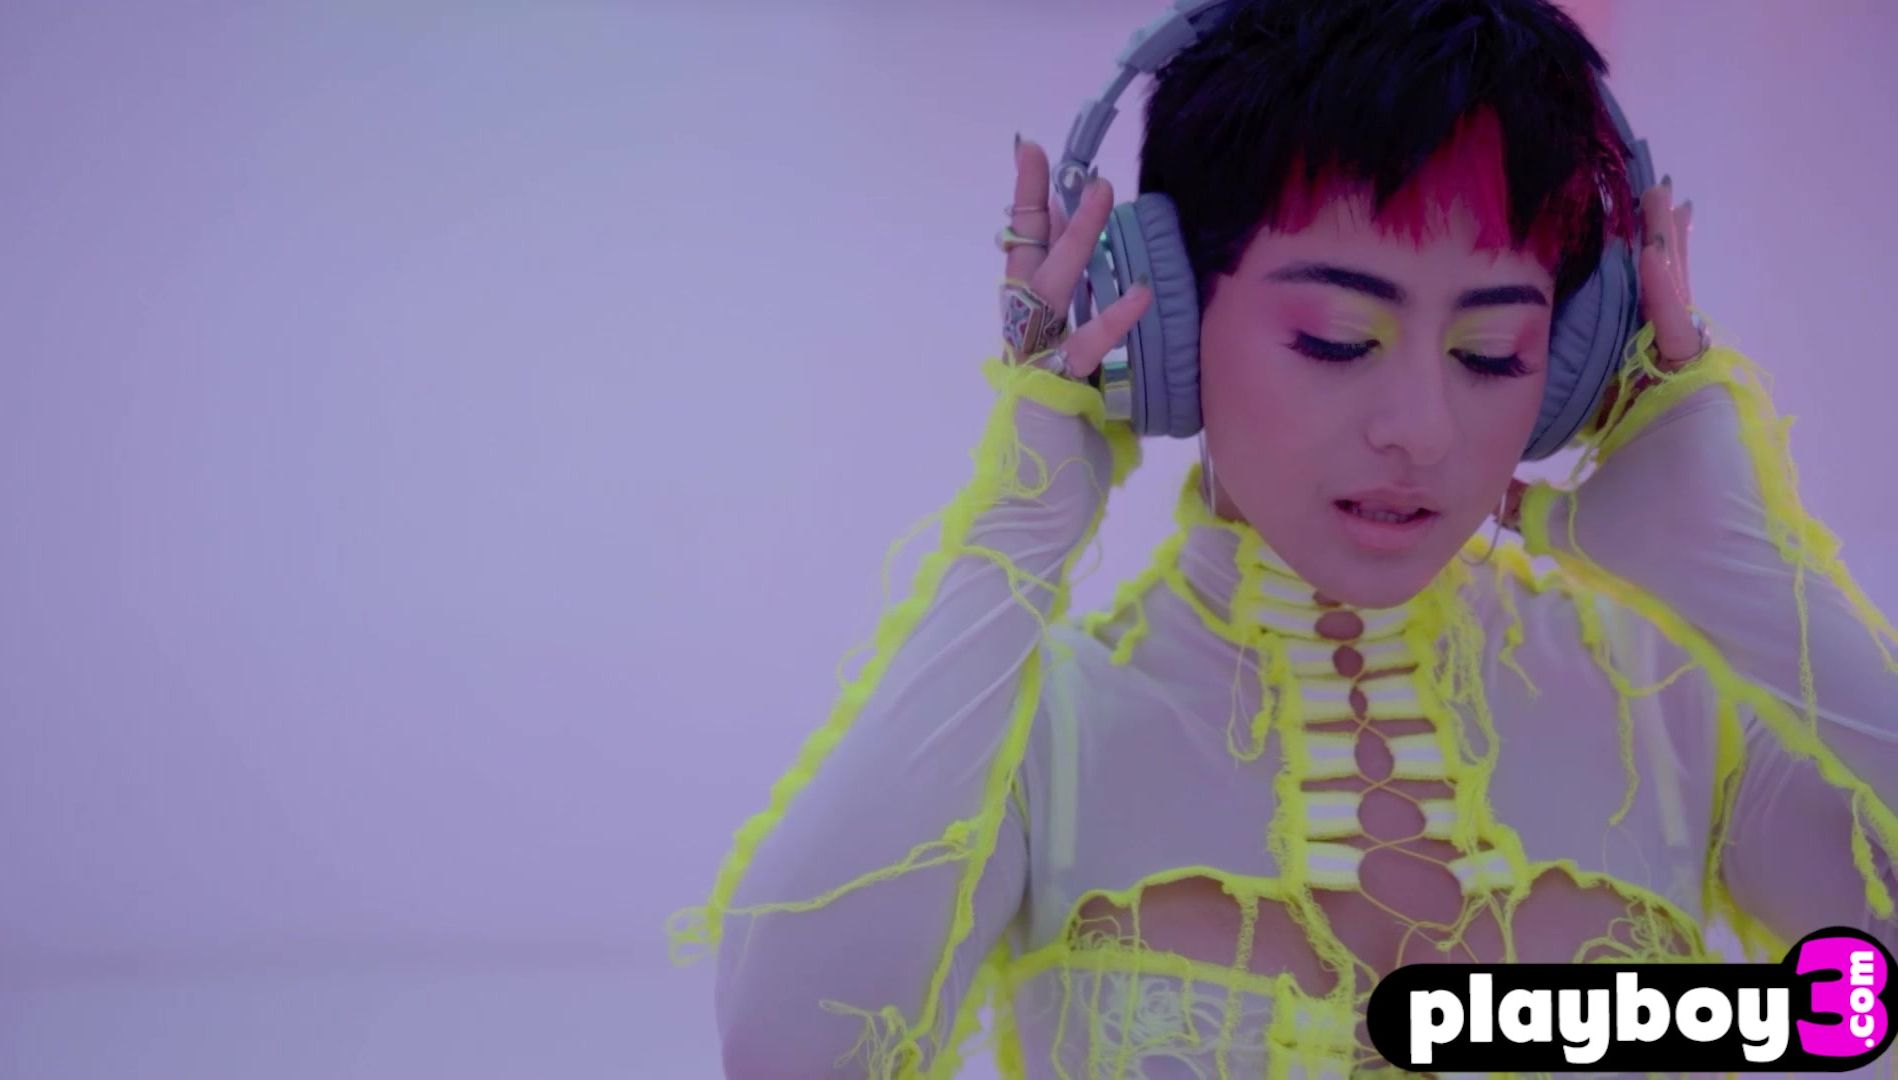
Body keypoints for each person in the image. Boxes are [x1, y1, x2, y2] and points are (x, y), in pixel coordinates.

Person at [669, 1, 1898, 1075]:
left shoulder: (1672, 708)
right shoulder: (1044, 731)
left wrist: (1753, 576)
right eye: (1333, 340)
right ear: (1162, 320)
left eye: (1491, 353)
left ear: (1569, 366)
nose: (1419, 430)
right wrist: (1017, 526)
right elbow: (793, 1055)